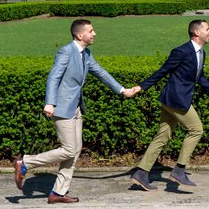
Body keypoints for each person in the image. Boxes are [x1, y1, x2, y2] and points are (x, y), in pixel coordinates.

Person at [13, 19, 138, 204]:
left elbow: (101, 73)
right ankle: (26, 163)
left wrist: (122, 90)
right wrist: (49, 102)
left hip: (76, 108)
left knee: (75, 150)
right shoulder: (66, 51)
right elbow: (53, 76)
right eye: (91, 31)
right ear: (80, 35)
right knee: (69, 149)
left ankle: (58, 192)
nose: (94, 34)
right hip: (62, 107)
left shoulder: (86, 54)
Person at [129, 18, 209, 191]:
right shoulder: (181, 51)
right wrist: (141, 87)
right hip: (176, 100)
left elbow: (199, 77)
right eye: (208, 29)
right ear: (197, 32)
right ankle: (179, 170)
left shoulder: (202, 53)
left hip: (171, 100)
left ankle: (141, 173)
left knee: (163, 135)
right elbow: (163, 71)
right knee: (196, 130)